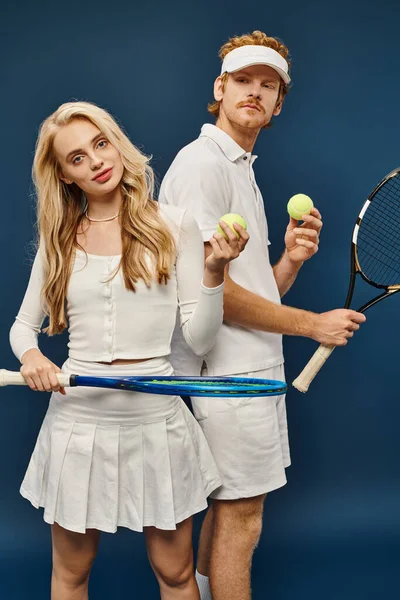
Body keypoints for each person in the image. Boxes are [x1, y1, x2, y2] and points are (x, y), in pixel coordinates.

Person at [9, 100, 249, 600]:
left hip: (156, 422)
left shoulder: (173, 224)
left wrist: (213, 273)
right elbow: (21, 328)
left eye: (101, 144)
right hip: (79, 425)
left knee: (176, 575)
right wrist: (31, 357)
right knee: (71, 574)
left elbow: (200, 339)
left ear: (116, 143)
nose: (96, 161)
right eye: (77, 158)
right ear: (65, 175)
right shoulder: (60, 239)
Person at [158, 30, 366, 600]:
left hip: (250, 371)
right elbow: (207, 296)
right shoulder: (202, 165)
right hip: (227, 377)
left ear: (277, 106)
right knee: (243, 521)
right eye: (243, 81)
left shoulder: (240, 168)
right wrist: (312, 324)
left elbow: (245, 292)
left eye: (268, 86)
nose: (255, 92)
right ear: (219, 88)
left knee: (229, 512)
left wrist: (290, 263)